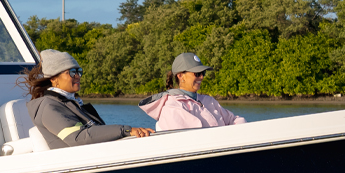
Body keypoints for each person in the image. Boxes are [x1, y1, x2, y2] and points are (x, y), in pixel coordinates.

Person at [24, 49, 153, 148]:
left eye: (79, 71)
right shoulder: (48, 106)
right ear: (53, 79)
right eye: (71, 72)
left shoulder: (72, 103)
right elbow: (77, 138)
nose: (78, 76)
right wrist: (126, 130)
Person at [139, 52, 245, 131]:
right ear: (181, 76)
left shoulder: (209, 101)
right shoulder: (172, 106)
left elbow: (234, 120)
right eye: (197, 73)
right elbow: (191, 140)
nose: (202, 77)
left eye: (203, 73)